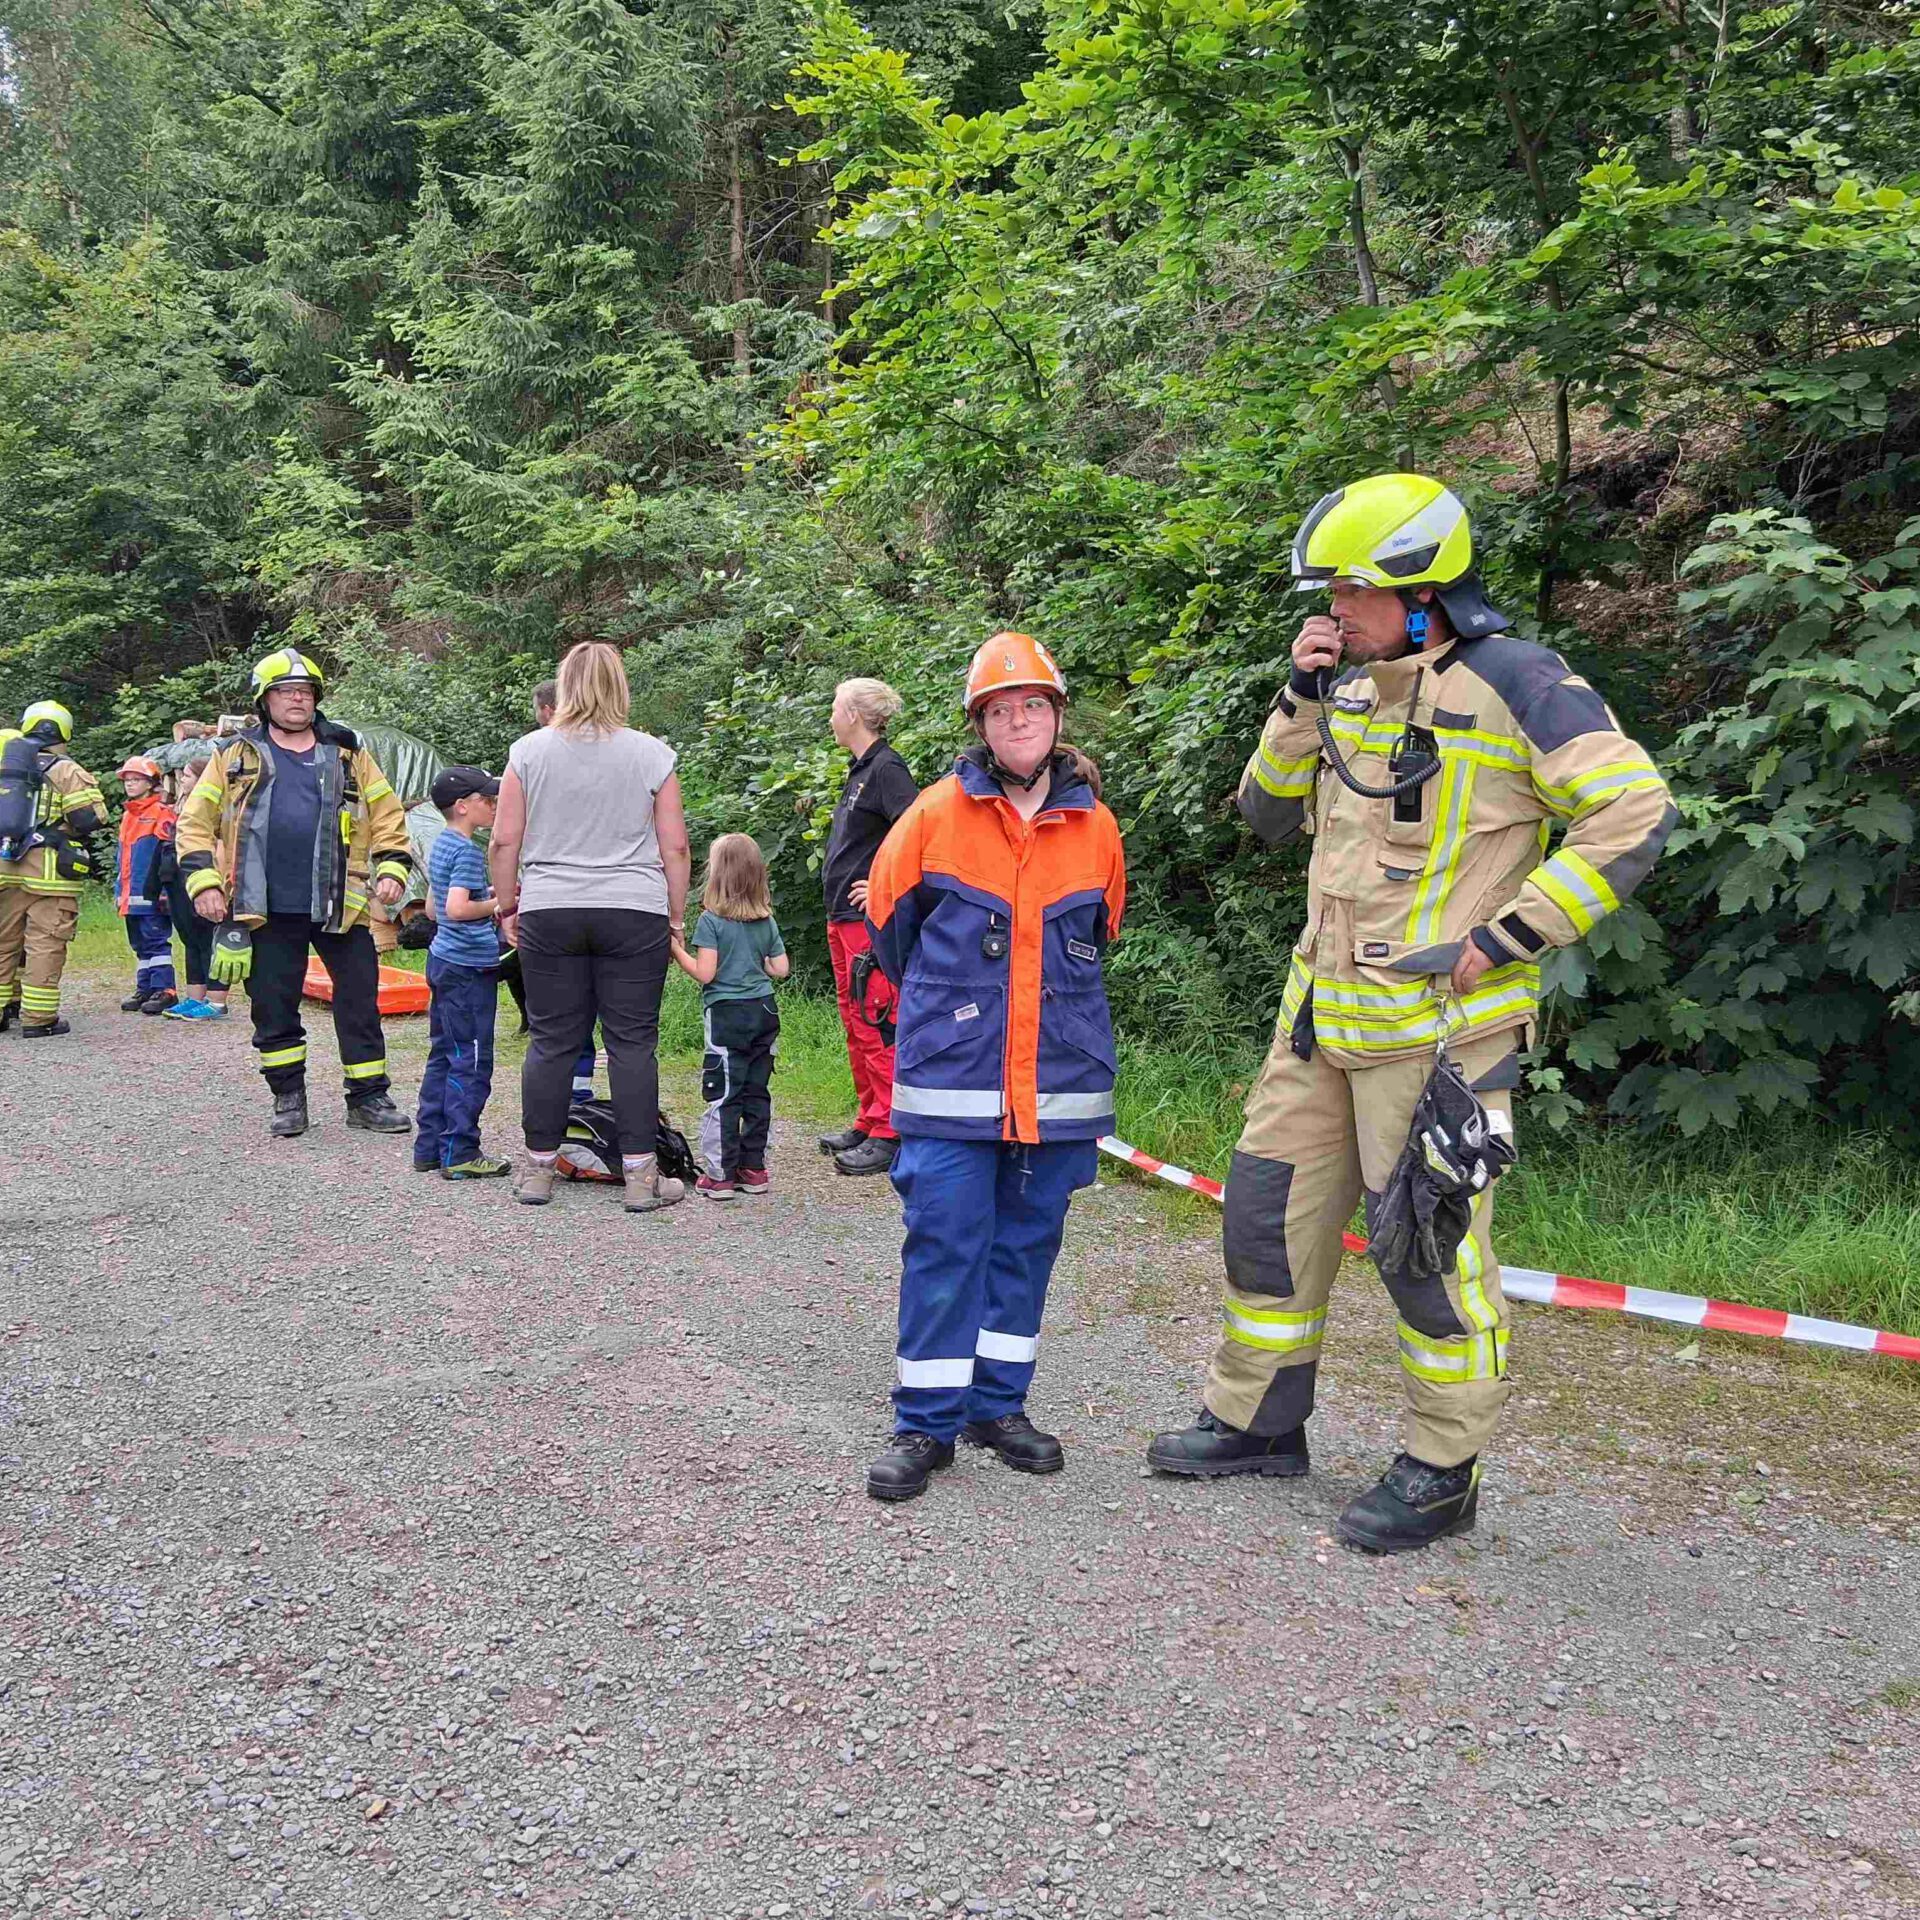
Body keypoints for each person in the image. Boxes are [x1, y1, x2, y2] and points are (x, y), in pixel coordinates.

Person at [1147, 473, 1676, 1552]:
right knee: (1264, 1221)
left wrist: (1513, 935)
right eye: (1329, 592)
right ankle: (1259, 1420)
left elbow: (1636, 809)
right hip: (1318, 1022)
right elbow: (1261, 814)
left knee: (1427, 1256)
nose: (1332, 610)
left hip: (1437, 1040)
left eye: (1350, 592)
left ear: (1423, 590)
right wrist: (1298, 698)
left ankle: (1443, 1468)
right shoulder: (1345, 684)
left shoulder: (1518, 680)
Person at [860, 633, 1127, 1502]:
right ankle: (925, 1422)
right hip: (951, 1080)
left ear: (1057, 717)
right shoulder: (932, 815)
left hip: (1056, 1086)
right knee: (943, 1243)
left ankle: (996, 1406)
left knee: (1026, 1248)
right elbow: (891, 938)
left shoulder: (1096, 826)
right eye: (1001, 709)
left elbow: (1100, 938)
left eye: (1034, 706)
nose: (1020, 720)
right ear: (980, 724)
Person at [174, 648, 415, 1139]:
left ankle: (368, 1098)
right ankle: (288, 1095)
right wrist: (203, 882)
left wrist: (392, 866)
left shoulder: (347, 752)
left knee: (360, 1001)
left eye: (305, 692)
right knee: (273, 1003)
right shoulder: (234, 755)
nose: (297, 700)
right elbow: (194, 824)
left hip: (339, 904)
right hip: (262, 906)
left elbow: (388, 814)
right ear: (266, 701)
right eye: (286, 691)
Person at [490, 640, 692, 1211]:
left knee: (553, 1040)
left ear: (566, 683)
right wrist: (674, 917)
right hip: (633, 907)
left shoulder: (528, 752)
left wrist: (509, 907)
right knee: (632, 1043)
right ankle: (640, 1177)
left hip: (551, 906)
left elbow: (505, 839)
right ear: (620, 685)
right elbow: (674, 846)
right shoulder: (653, 754)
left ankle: (537, 1172)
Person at [819, 678, 920, 1178]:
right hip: (840, 917)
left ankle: (891, 1131)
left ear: (855, 715)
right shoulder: (859, 771)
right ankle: (869, 1116)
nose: (832, 717)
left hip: (867, 922)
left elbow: (917, 835)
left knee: (877, 1021)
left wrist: (884, 888)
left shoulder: (888, 769)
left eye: (836, 708)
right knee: (855, 1021)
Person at [669, 833, 789, 1201]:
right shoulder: (765, 921)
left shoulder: (711, 921)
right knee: (757, 1091)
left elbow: (706, 973)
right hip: (764, 1010)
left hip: (726, 1014)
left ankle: (720, 1176)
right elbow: (780, 969)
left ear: (716, 875)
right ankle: (753, 1170)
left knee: (724, 1091)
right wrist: (758, 962)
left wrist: (675, 950)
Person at [414, 767, 511, 1180]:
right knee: (470, 1061)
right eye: (487, 801)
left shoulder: (442, 844)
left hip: (442, 962)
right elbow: (456, 909)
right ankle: (460, 1151)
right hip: (469, 969)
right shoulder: (470, 851)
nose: (493, 806)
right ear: (462, 806)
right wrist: (500, 903)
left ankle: (429, 1147)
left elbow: (435, 909)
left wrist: (482, 895)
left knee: (443, 1055)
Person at [0, 701, 109, 1037]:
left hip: (5, 868)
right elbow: (90, 818)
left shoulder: (6, 766)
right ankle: (38, 1019)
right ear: (63, 732)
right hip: (50, 875)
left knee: (4, 943)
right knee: (45, 944)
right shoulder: (65, 769)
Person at [163, 743, 229, 1021]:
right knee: (190, 939)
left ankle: (216, 1001)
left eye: (187, 775)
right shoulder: (181, 805)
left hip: (208, 878)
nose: (181, 780)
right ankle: (195, 997)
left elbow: (222, 844)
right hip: (181, 881)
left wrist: (220, 882)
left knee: (209, 939)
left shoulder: (214, 806)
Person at [114, 756, 178, 1015]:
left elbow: (168, 855)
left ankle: (166, 990)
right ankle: (145, 988)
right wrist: (119, 891)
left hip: (151, 892)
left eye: (136, 779)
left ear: (151, 783)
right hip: (130, 893)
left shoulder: (161, 813)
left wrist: (164, 891)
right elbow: (123, 857)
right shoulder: (129, 815)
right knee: (139, 944)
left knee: (156, 941)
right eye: (127, 780)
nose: (130, 784)